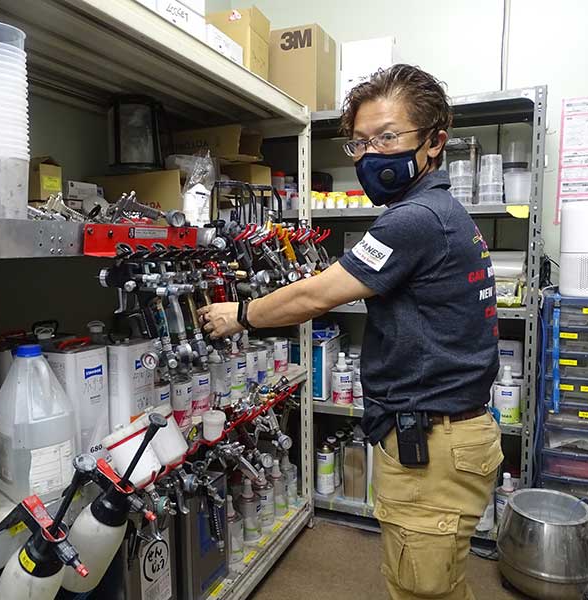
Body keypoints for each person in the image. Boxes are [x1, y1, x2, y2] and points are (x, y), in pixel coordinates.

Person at [198, 64, 503, 600]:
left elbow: (316, 294)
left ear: (435, 142)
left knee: (421, 590)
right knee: (436, 582)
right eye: (361, 143)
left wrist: (239, 315)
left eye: (388, 136)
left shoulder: (413, 220)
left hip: (432, 446)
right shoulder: (438, 210)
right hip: (444, 436)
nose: (371, 154)